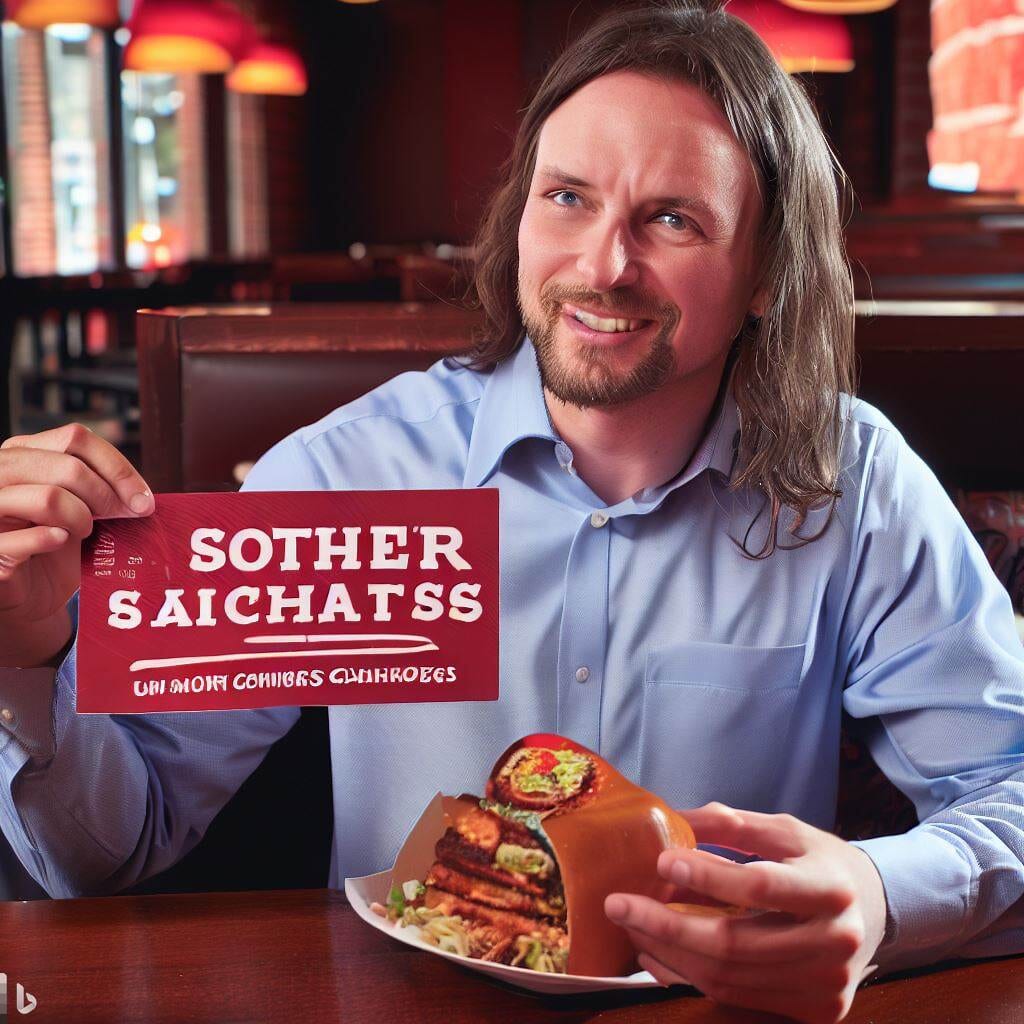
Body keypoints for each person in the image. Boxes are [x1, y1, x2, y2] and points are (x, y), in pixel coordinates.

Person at [1, 2, 1022, 1020]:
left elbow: (1007, 794)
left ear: (764, 273)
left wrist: (882, 896)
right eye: (568, 197)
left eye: (672, 218)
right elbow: (110, 848)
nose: (602, 264)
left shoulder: (854, 481)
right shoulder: (344, 476)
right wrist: (29, 654)